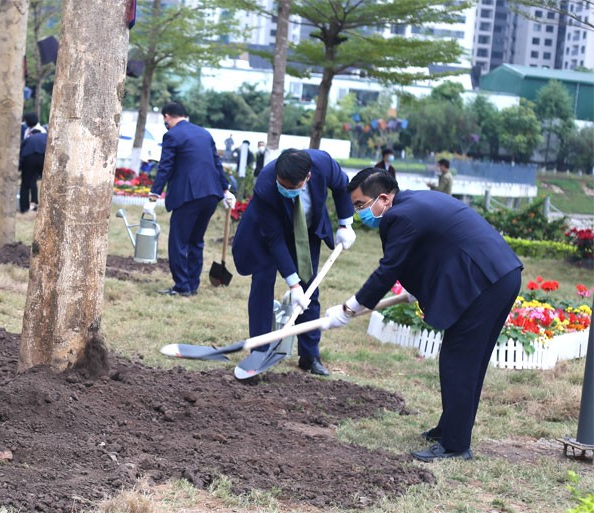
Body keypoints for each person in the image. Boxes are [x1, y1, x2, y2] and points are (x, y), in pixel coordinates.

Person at [320, 168, 522, 462]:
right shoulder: (414, 202)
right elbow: (424, 253)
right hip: (500, 275)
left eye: (362, 205)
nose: (360, 212)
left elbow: (388, 269)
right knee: (469, 362)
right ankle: (451, 428)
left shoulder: (398, 216)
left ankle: (455, 445)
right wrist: (416, 288)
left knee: (459, 362)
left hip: (485, 283)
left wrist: (350, 308)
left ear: (384, 198)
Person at [231, 149, 356, 376]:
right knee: (263, 282)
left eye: (291, 187)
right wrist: (292, 284)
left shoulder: (324, 164)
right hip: (268, 234)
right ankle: (259, 352)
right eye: (282, 185)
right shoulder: (266, 185)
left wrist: (345, 224)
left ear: (307, 177)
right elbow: (275, 240)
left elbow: (342, 186)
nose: (285, 190)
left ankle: (309, 355)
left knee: (310, 289)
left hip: (306, 231)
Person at [144, 101, 235, 297]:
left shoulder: (172, 135)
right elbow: (216, 163)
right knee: (196, 241)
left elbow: (165, 167)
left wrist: (153, 196)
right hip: (211, 194)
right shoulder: (204, 133)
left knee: (178, 242)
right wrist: (225, 189)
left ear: (167, 116)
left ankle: (182, 286)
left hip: (189, 196)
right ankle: (192, 285)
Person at [19, 128, 47, 212]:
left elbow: (21, 154)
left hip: (29, 157)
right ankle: (41, 205)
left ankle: (24, 208)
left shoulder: (28, 139)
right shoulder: (46, 136)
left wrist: (20, 167)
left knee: (25, 184)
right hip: (43, 156)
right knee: (46, 183)